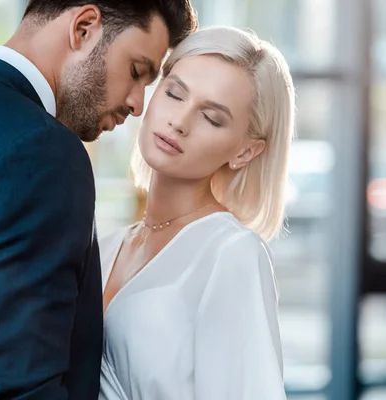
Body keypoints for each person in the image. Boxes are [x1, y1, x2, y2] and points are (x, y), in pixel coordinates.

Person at [0, 0, 197, 399]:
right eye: (137, 72)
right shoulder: (45, 152)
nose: (137, 104)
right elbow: (16, 389)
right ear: (84, 28)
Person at [99, 26, 295, 400]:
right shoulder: (104, 249)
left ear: (245, 152)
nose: (179, 122)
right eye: (174, 93)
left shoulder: (232, 254)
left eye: (212, 118)